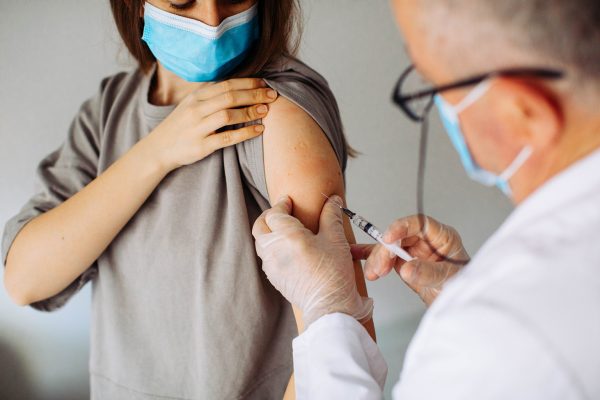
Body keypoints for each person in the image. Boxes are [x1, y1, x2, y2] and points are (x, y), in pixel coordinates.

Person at [1, 0, 374, 399]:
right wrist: (157, 151)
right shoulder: (107, 114)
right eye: (182, 1)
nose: (213, 22)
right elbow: (24, 281)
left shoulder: (272, 105)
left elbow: (337, 338)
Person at [252, 0, 600, 398]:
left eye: (433, 85)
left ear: (523, 111)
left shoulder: (506, 336)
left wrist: (326, 313)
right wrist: (469, 292)